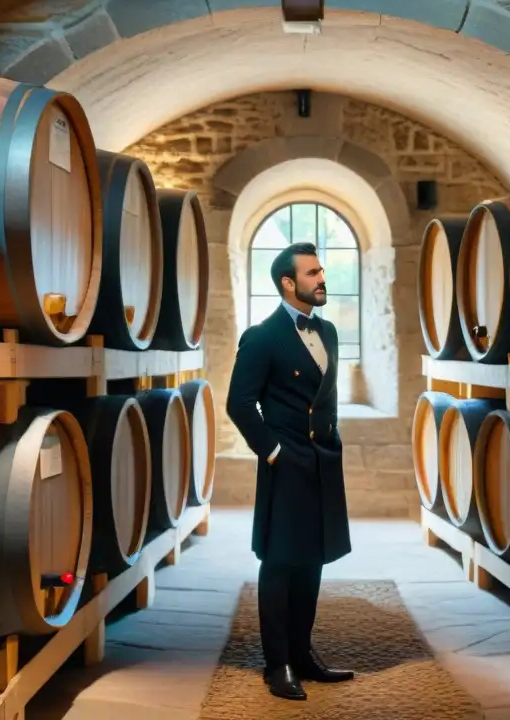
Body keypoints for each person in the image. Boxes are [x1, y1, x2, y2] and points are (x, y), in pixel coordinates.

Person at [226, 241, 354, 701]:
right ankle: (276, 663)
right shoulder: (262, 337)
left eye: (321, 271)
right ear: (288, 282)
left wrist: (331, 441)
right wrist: (273, 451)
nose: (322, 279)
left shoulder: (331, 332)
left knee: (313, 558)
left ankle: (302, 654)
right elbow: (238, 402)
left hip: (323, 462)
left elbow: (327, 398)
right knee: (280, 562)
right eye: (312, 273)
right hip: (287, 462)